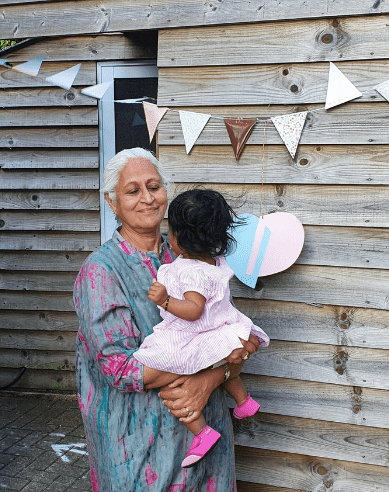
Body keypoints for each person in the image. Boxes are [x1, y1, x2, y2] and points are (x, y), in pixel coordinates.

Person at [73, 148, 260, 492]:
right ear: (112, 202)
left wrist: (209, 379)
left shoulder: (191, 253)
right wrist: (213, 360)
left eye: (154, 186)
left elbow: (232, 332)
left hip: (208, 431)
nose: (147, 198)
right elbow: (119, 370)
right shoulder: (101, 271)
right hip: (141, 445)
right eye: (132, 191)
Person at [133, 189, 270, 468]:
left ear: (179, 239)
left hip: (194, 334)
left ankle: (201, 431)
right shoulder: (214, 262)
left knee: (164, 371)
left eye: (170, 230)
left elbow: (194, 310)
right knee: (225, 365)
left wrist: (166, 300)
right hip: (224, 328)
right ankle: (243, 402)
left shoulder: (191, 271)